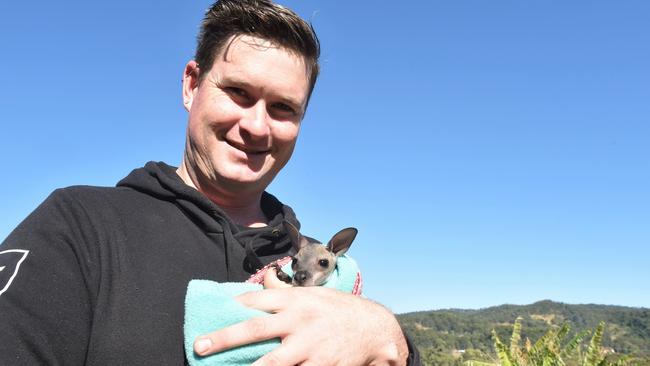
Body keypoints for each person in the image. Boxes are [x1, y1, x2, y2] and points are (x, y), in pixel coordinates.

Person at [0, 0, 420, 365]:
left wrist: (391, 340)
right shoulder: (81, 228)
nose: (257, 126)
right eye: (238, 92)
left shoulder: (311, 256)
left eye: (282, 107)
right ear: (191, 85)